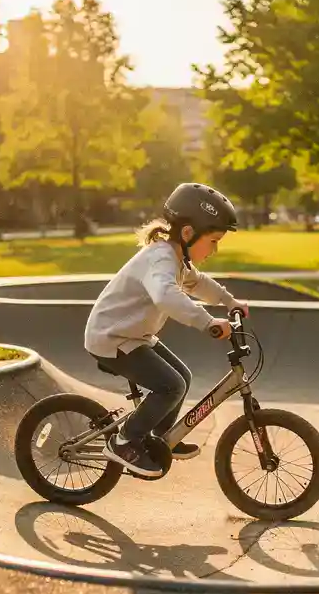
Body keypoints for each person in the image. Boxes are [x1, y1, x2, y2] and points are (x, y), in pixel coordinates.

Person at [83, 182, 249, 478]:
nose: (215, 249)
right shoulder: (160, 259)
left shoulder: (177, 260)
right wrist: (207, 322)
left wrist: (229, 301)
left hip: (133, 335)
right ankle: (123, 441)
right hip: (111, 337)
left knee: (182, 377)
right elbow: (165, 296)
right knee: (170, 385)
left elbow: (198, 284)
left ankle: (158, 437)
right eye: (213, 240)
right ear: (188, 233)